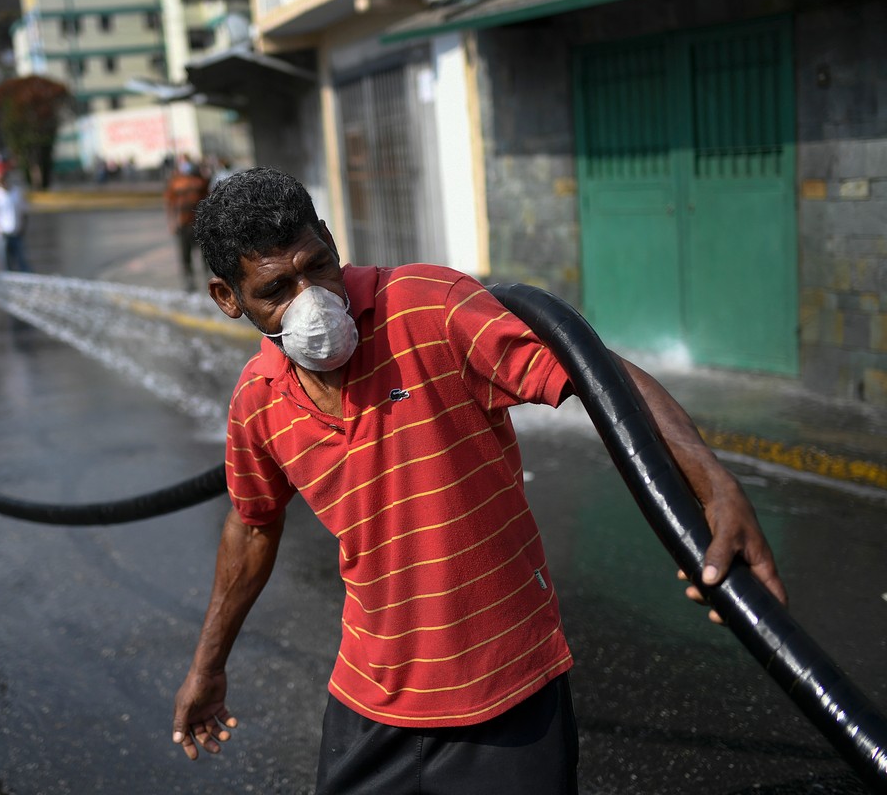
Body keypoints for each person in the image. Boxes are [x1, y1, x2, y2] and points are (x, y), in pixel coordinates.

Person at [170, 168, 788, 792]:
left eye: (319, 266)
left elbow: (601, 376)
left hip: (507, 692)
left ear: (330, 239)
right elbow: (253, 528)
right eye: (278, 288)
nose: (313, 302)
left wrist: (712, 485)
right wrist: (208, 665)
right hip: (370, 700)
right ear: (229, 298)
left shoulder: (426, 306)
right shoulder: (257, 400)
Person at [164, 160, 210, 290]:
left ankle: (206, 277)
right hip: (184, 224)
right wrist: (172, 223)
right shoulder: (178, 183)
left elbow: (207, 200)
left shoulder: (199, 182)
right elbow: (171, 204)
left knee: (204, 254)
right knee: (187, 255)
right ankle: (190, 281)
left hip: (198, 224)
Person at [0, 164, 30, 272]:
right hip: (2, 236)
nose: (2, 181)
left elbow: (25, 212)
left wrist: (23, 229)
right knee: (5, 265)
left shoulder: (17, 192)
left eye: (3, 177)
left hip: (16, 233)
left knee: (22, 263)